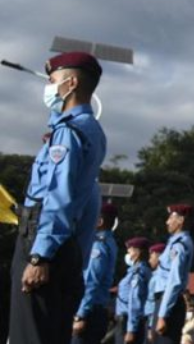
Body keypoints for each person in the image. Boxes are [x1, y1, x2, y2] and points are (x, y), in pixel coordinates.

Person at [8, 51, 108, 344]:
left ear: (71, 83)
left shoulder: (68, 133)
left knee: (30, 335)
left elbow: (57, 198)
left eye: (52, 81)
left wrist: (41, 255)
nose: (48, 88)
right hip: (67, 245)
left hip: (42, 239)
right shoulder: (89, 130)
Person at [72, 201, 119, 344]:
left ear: (99, 221)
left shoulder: (98, 245)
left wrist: (81, 315)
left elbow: (91, 282)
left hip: (90, 311)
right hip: (96, 310)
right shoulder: (109, 242)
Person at [154, 204, 194, 344]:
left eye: (170, 218)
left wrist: (162, 315)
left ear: (181, 220)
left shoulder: (179, 245)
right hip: (165, 301)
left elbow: (174, 281)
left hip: (169, 304)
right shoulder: (175, 243)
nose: (167, 222)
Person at [114, 237, 150, 344]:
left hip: (128, 323)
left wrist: (131, 330)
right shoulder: (136, 271)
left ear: (137, 252)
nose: (127, 253)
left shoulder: (138, 273)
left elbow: (135, 301)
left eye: (129, 249)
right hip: (127, 321)